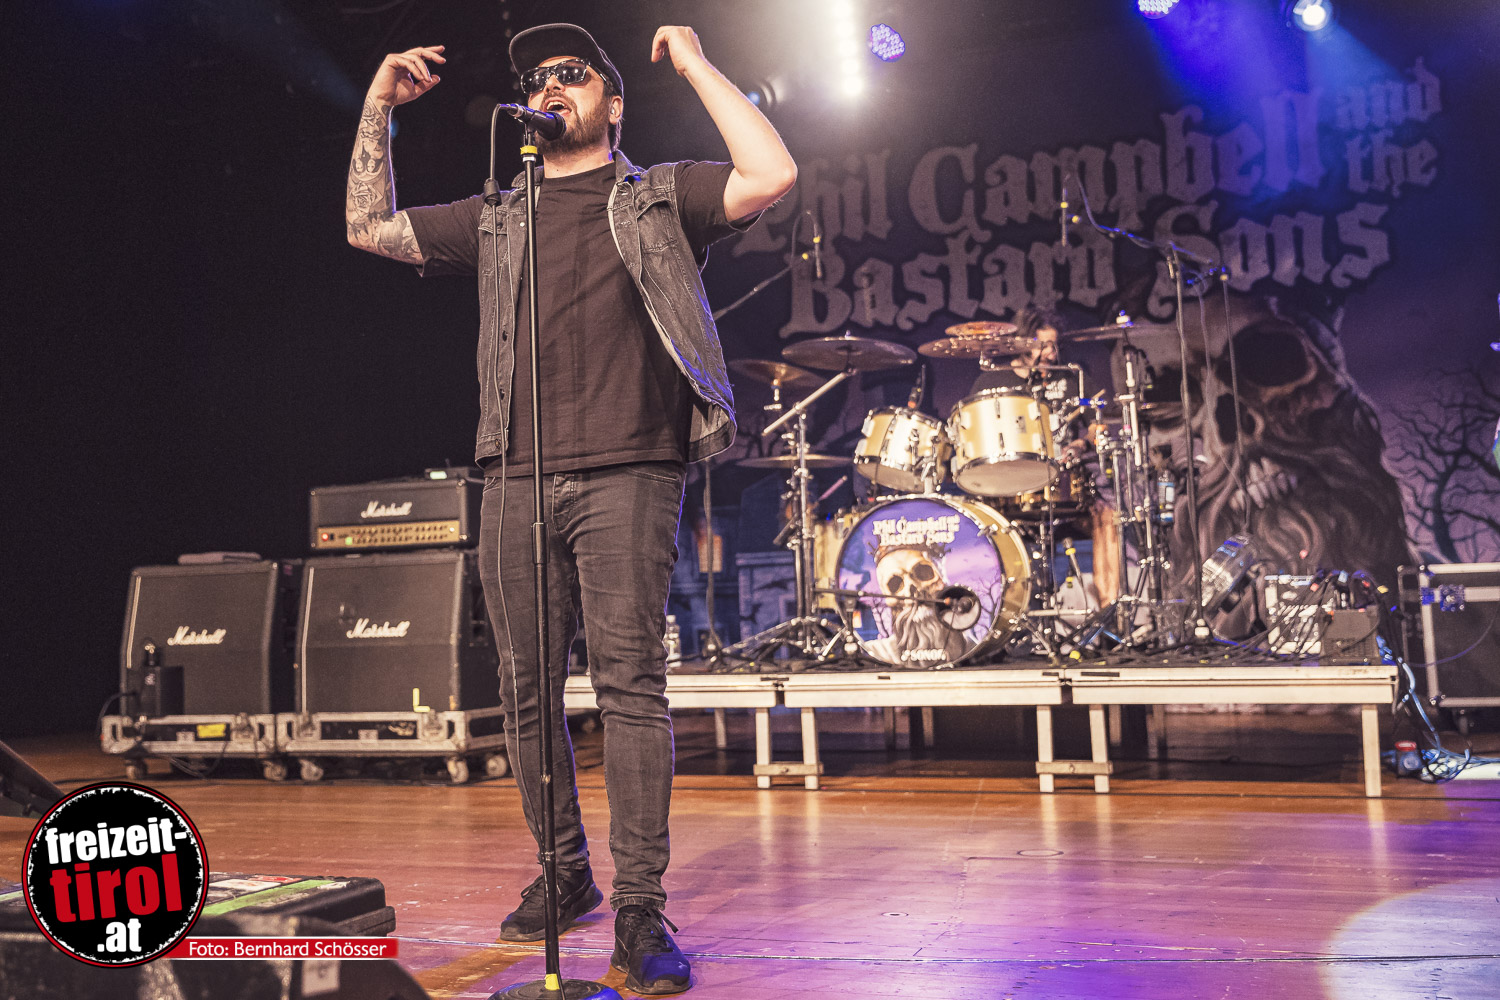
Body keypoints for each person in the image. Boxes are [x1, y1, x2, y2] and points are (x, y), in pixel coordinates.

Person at [344, 22, 796, 995]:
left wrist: (696, 64)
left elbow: (771, 174)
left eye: (574, 73)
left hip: (631, 467)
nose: (551, 84)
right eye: (538, 76)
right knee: (525, 690)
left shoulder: (660, 195)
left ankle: (640, 907)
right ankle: (565, 870)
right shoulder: (495, 216)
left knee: (629, 685)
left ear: (612, 102)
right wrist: (378, 104)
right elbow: (368, 228)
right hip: (514, 472)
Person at [968, 309, 1121, 605]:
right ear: (1021, 344)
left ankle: (1110, 608)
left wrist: (1080, 444)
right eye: (1043, 346)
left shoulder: (1070, 376)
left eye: (1054, 345)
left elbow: (1098, 423)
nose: (1051, 353)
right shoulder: (991, 381)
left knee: (1109, 512)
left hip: (1064, 483)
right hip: (1007, 484)